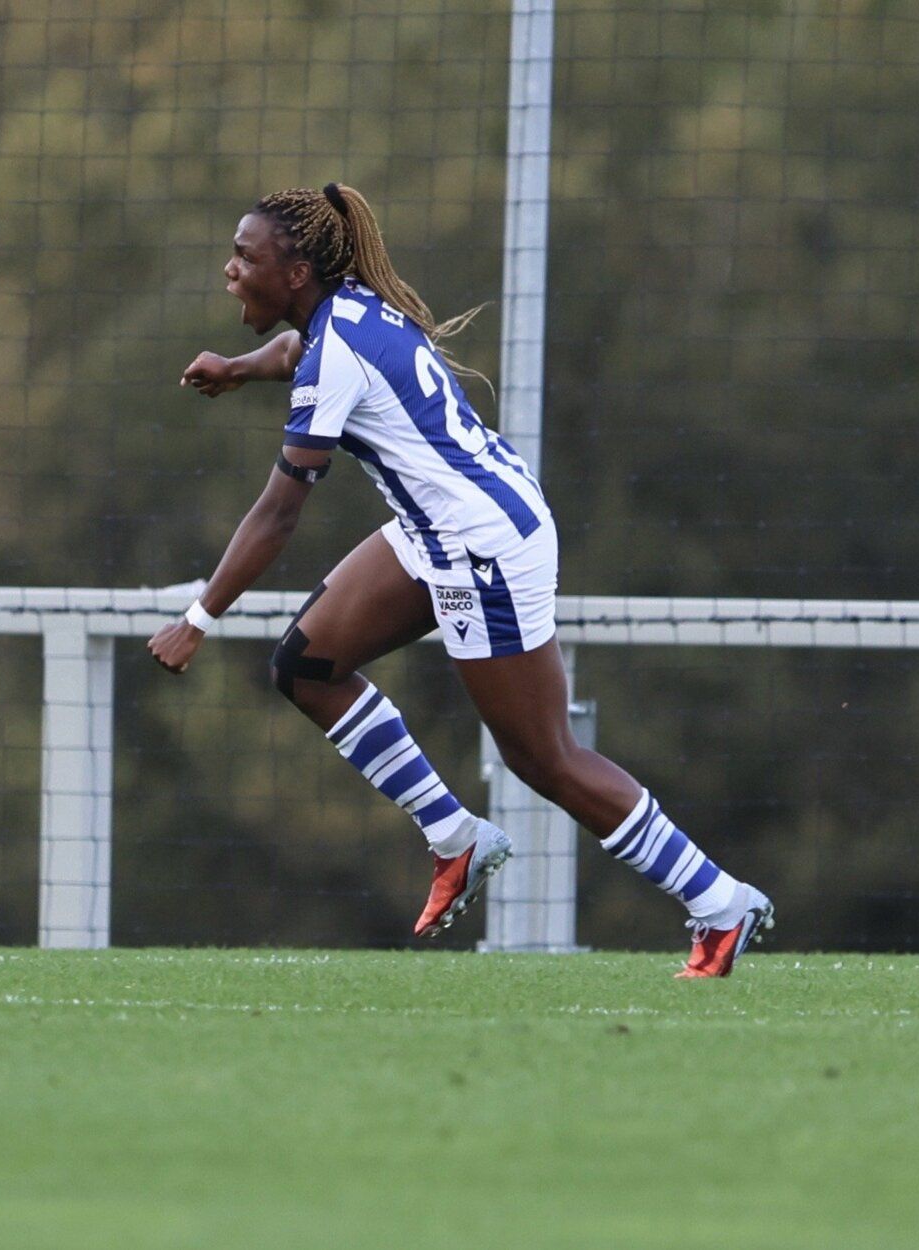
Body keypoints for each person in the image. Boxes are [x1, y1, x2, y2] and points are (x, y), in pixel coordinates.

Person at [151, 183, 773, 977]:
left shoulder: (336, 342)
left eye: (245, 257)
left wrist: (197, 618)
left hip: (478, 547)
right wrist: (241, 369)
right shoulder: (346, 308)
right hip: (443, 529)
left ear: (297, 269)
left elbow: (277, 514)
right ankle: (455, 837)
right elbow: (297, 355)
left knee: (542, 757)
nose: (229, 271)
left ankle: (718, 902)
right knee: (305, 668)